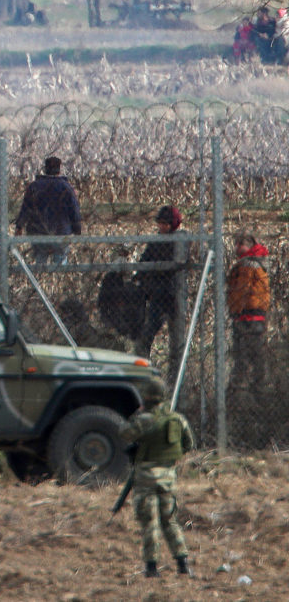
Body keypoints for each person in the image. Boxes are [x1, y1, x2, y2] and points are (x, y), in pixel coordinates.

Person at [120, 378, 194, 579]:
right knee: (169, 520)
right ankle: (183, 564)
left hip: (145, 478)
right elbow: (188, 444)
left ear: (146, 397)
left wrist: (138, 413)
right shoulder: (177, 419)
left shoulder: (144, 420)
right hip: (168, 478)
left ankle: (152, 568)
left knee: (150, 522)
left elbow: (124, 433)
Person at [14, 155, 82, 266]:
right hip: (61, 232)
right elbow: (74, 209)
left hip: (38, 231)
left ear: (45, 169)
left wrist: (19, 226)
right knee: (60, 263)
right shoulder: (66, 187)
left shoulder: (34, 187)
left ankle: (39, 280)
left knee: (40, 262)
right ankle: (59, 280)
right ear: (59, 170)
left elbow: (26, 208)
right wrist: (77, 228)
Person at [135, 205, 181, 359]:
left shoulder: (178, 241)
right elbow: (145, 261)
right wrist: (140, 277)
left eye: (165, 224)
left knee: (177, 338)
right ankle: (143, 362)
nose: (162, 227)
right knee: (148, 332)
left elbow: (173, 265)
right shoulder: (156, 241)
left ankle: (175, 372)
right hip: (158, 294)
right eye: (160, 223)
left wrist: (154, 270)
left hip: (173, 294)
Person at [225, 234, 270, 389]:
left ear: (249, 246)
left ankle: (243, 386)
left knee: (244, 353)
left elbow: (241, 291)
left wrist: (236, 310)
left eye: (240, 244)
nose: (236, 247)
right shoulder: (256, 261)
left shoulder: (247, 265)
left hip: (248, 315)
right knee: (255, 352)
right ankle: (256, 385)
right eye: (235, 244)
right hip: (255, 314)